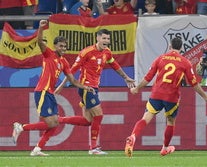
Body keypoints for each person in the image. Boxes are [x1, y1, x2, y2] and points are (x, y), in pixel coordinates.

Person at [12, 20, 94, 156]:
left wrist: (85, 87)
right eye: (61, 46)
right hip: (42, 91)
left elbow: (72, 80)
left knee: (55, 123)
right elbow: (39, 42)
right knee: (51, 122)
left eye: (65, 46)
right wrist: (40, 28)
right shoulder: (49, 54)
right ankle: (21, 127)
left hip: (49, 93)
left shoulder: (64, 62)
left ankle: (37, 149)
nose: (63, 48)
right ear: (55, 46)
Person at [124, 37, 207, 157]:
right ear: (181, 48)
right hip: (172, 97)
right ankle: (165, 148)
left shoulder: (160, 58)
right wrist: (205, 96)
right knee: (170, 121)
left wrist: (137, 88)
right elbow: (194, 83)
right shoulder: (185, 62)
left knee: (145, 118)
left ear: (170, 46)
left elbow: (148, 78)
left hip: (156, 94)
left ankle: (133, 136)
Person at [55, 29, 135, 155]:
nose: (106, 41)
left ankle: (58, 119)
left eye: (108, 39)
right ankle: (93, 148)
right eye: (104, 38)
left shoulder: (107, 53)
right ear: (97, 38)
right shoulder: (86, 52)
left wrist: (126, 77)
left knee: (87, 121)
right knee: (98, 115)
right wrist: (61, 86)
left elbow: (115, 65)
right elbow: (71, 71)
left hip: (94, 87)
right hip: (86, 87)